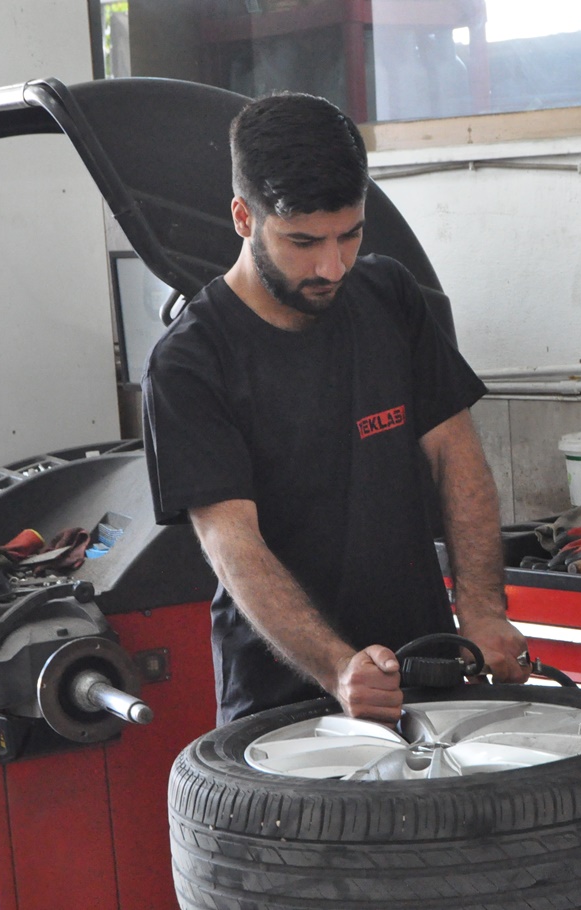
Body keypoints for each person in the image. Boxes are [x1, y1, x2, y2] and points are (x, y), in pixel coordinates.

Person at [141, 92, 529, 725]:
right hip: (282, 707)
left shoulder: (388, 297)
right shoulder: (190, 362)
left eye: (349, 235)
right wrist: (336, 667)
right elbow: (230, 541)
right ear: (243, 217)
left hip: (427, 675)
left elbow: (457, 455)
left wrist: (482, 609)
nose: (332, 265)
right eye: (302, 241)